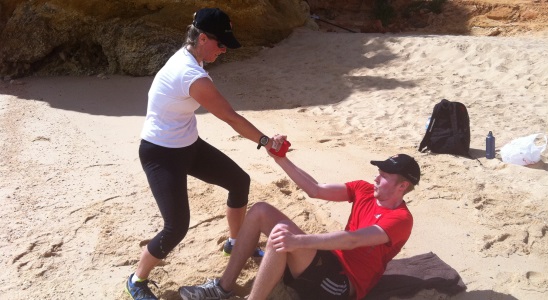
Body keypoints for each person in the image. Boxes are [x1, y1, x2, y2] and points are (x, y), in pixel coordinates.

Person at [125, 8, 286, 300]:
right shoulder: (191, 74)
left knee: (239, 181)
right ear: (201, 38)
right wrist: (266, 141)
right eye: (220, 43)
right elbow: (231, 118)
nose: (224, 49)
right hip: (160, 153)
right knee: (176, 227)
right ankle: (136, 279)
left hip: (189, 145)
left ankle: (235, 243)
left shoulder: (191, 58)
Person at [179, 144, 421, 300]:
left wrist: (298, 241)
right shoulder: (365, 190)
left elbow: (352, 240)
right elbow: (315, 189)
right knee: (261, 210)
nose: (376, 178)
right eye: (379, 172)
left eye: (384, 176)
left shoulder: (401, 219)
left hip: (342, 284)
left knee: (283, 236)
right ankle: (223, 287)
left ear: (402, 186)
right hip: (326, 261)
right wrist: (280, 158)